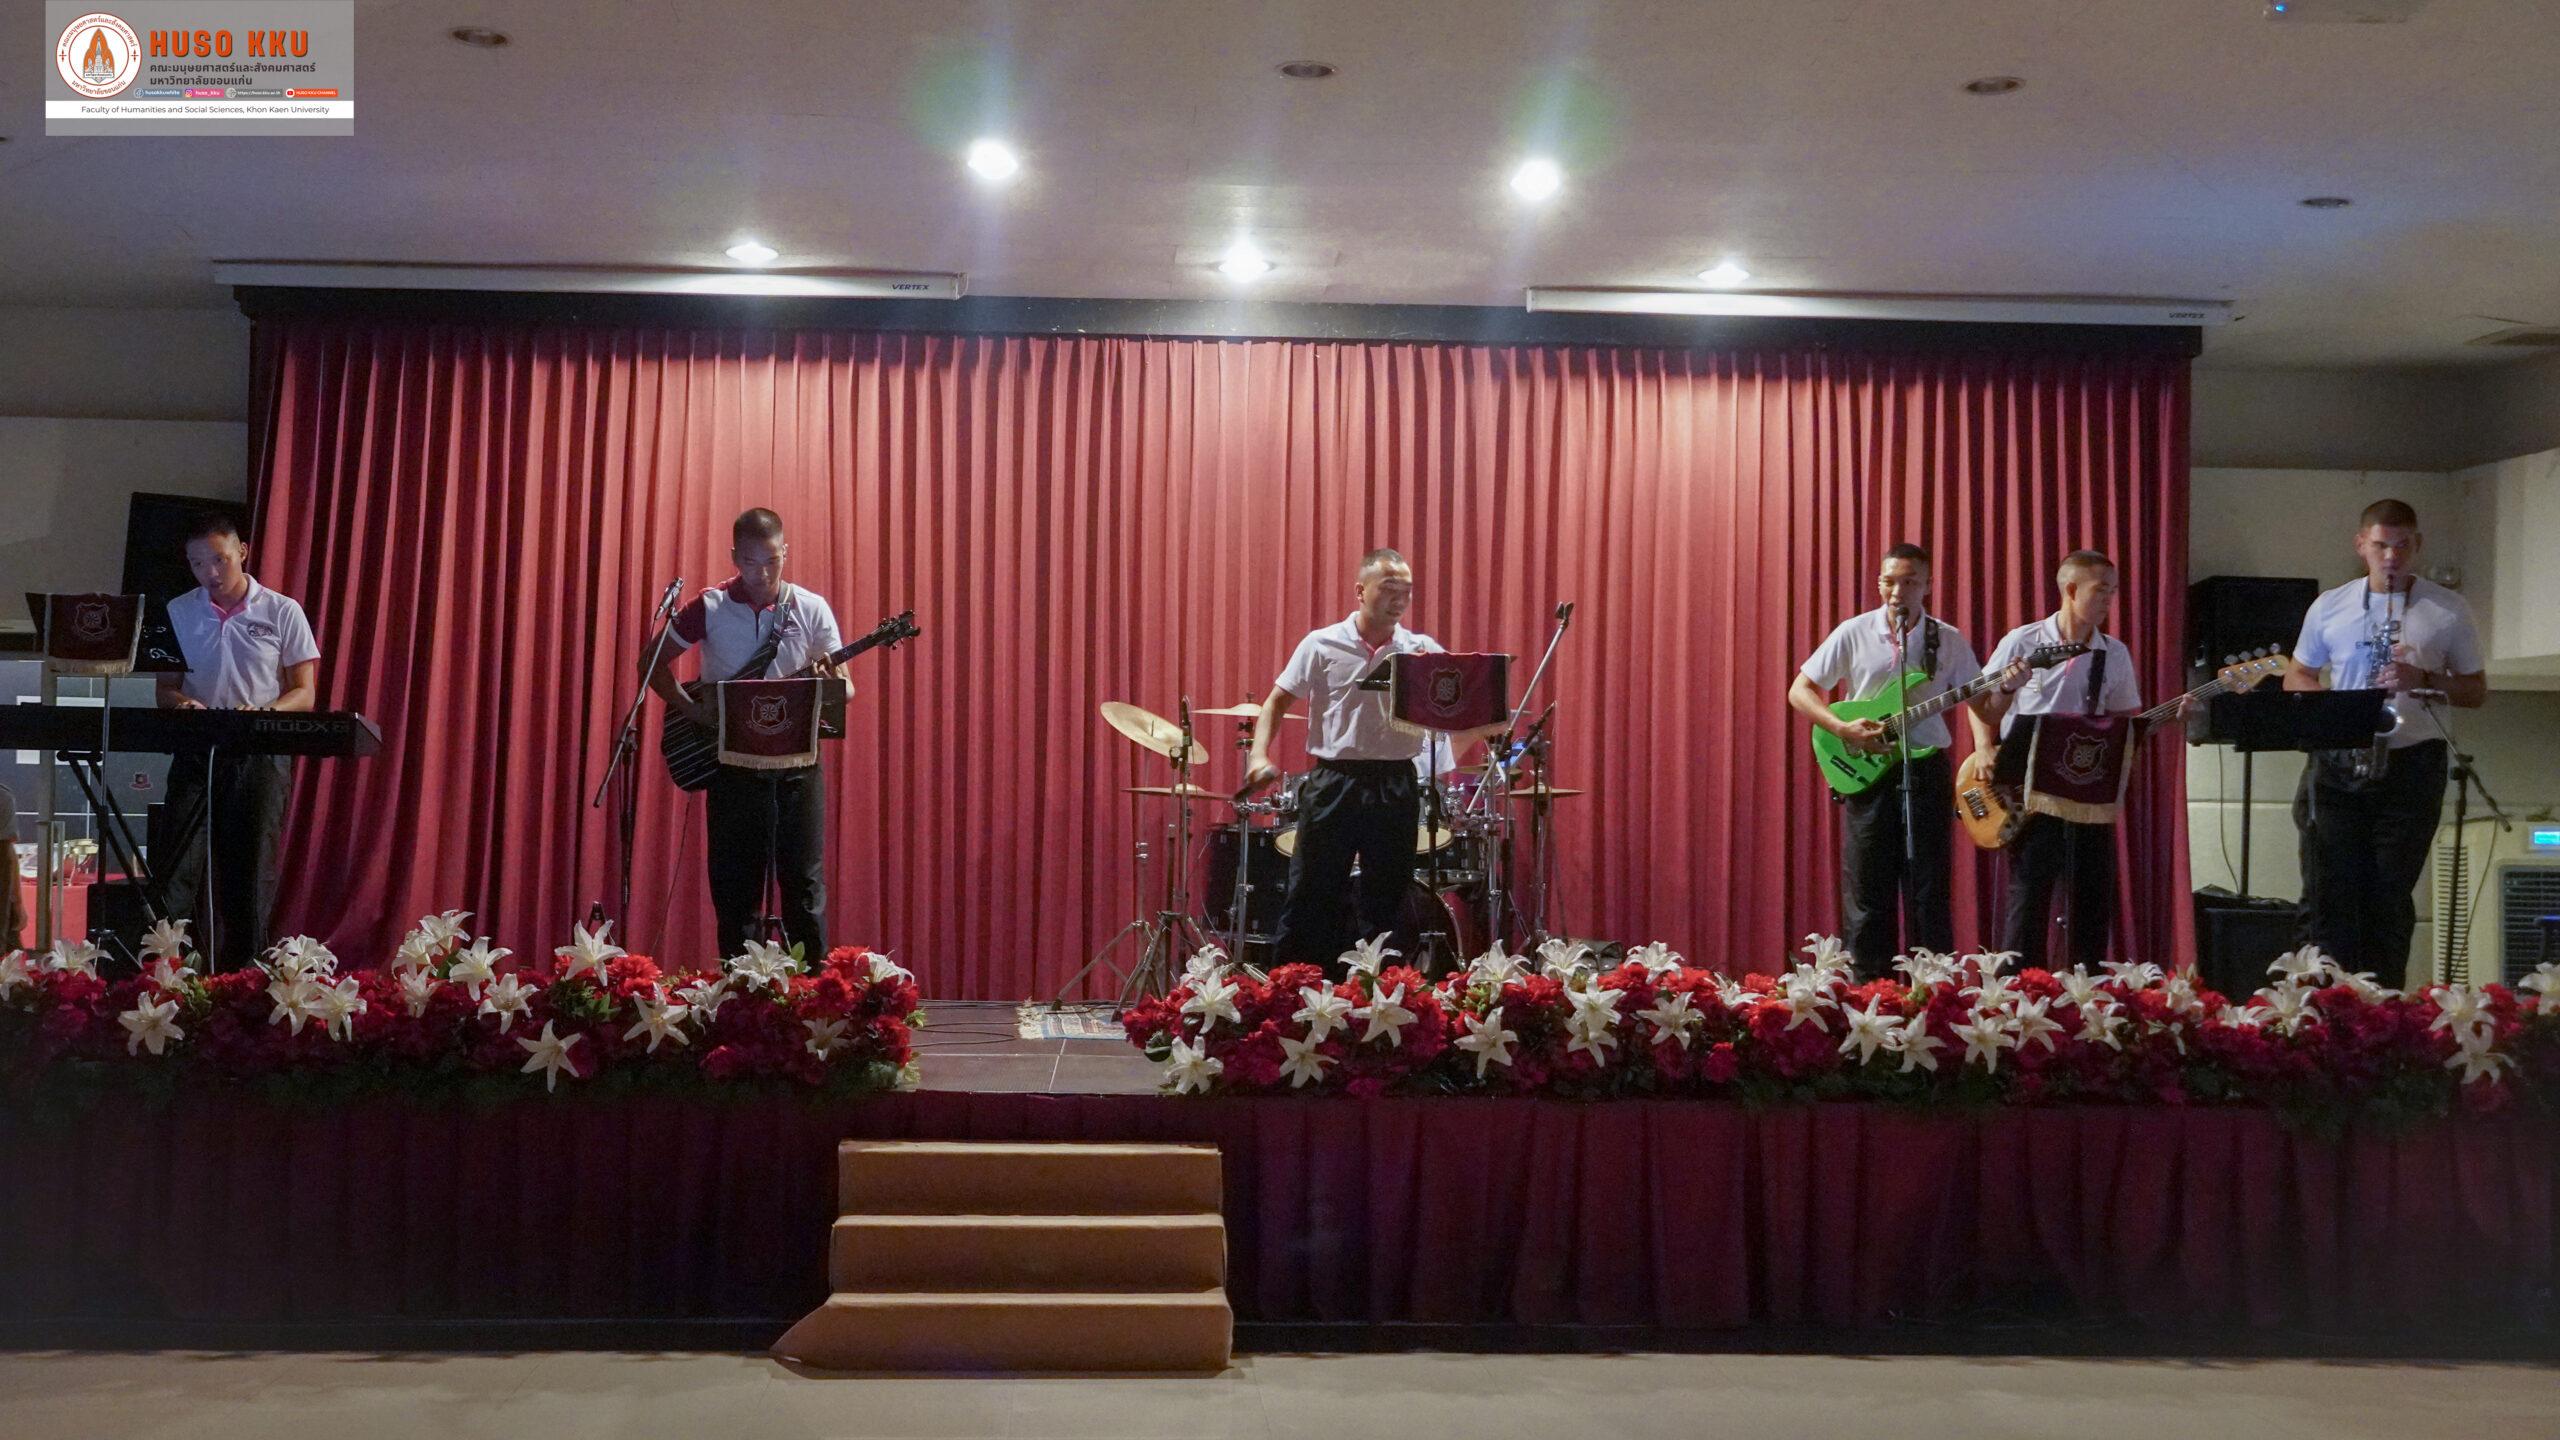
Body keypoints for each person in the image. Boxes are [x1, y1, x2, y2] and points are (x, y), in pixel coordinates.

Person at [1241, 549, 1499, 970]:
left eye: (1407, 591)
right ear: (1360, 591)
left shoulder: (1420, 651)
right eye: (1390, 588)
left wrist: (1488, 711)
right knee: (1312, 893)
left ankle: (1380, 995)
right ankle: (1296, 990)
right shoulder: (1321, 643)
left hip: (1395, 783)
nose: (1400, 599)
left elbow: (1459, 704)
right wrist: (1258, 754)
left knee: (1388, 900)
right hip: (1334, 781)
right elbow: (1275, 702)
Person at [2284, 498, 2486, 987]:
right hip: (2338, 762)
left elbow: (2476, 691)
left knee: (2389, 896)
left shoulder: (2448, 608)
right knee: (2326, 894)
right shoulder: (2330, 605)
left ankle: (2383, 1007)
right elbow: (2297, 675)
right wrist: (2336, 711)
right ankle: (2320, 1003)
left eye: (2402, 546)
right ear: (2361, 545)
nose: (2391, 557)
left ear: (2417, 545)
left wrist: (2424, 677)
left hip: (2411, 762)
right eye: (2380, 546)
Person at [641, 508, 846, 959]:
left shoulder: (811, 607)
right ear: (735, 557)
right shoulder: (710, 607)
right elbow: (651, 664)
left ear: (785, 552)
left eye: (773, 560)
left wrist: (830, 683)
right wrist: (693, 709)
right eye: (751, 562)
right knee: (735, 891)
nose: (763, 573)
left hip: (797, 765)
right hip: (733, 766)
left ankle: (814, 992)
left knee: (805, 886)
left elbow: (846, 690)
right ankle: (740, 992)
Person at [1789, 543, 1983, 977]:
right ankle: (1868, 995)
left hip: (1926, 768)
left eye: (1909, 582)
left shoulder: (1947, 640)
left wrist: (2009, 686)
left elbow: (1981, 701)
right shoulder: (1853, 632)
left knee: (1929, 888)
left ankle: (1932, 989)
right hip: (1867, 770)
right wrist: (1842, 728)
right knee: (1867, 889)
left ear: (1928, 585)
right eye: (1889, 581)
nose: (1897, 592)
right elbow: (1800, 691)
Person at [155, 512, 321, 970]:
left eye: (219, 560)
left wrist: (267, 714)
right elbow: (165, 688)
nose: (209, 572)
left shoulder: (282, 610)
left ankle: (243, 979)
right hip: (197, 748)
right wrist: (182, 703)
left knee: (249, 870)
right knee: (177, 868)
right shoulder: (178, 611)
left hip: (259, 751)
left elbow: (304, 692)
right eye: (197, 564)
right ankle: (169, 974)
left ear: (242, 552)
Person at [1968, 550, 2142, 971]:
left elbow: (2125, 719)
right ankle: (2018, 985)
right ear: (2071, 589)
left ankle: (2085, 986)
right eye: (2101, 590)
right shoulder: (2023, 641)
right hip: (2029, 786)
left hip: (2086, 788)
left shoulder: (2112, 653)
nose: (2109, 600)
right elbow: (1980, 701)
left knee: (2092, 892)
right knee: (2029, 888)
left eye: (2113, 592)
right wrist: (1984, 746)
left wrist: (2169, 716)